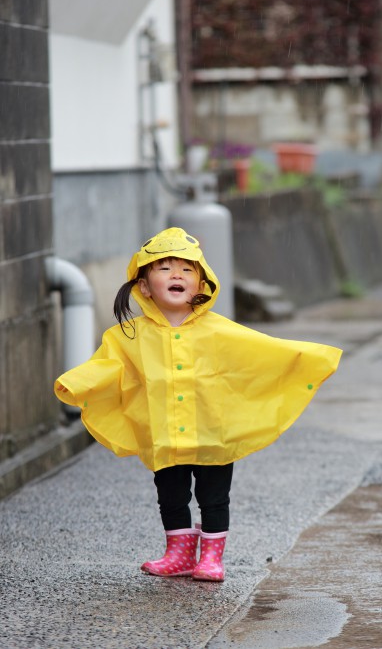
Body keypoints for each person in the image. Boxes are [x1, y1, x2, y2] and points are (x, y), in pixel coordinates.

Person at [55, 227, 342, 582]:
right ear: (144, 287)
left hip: (213, 433)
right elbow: (108, 367)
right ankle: (178, 556)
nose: (177, 275)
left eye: (187, 270)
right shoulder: (128, 336)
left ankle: (211, 559)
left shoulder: (220, 331)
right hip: (165, 434)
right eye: (164, 268)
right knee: (171, 496)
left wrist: (308, 360)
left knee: (214, 497)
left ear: (202, 284)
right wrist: (76, 382)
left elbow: (262, 353)